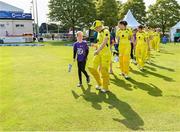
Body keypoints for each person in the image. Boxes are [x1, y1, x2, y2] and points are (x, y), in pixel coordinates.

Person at [88, 20, 111, 93]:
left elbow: (105, 42)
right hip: (99, 53)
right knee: (92, 67)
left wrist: (98, 50)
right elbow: (99, 42)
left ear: (99, 26)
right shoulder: (98, 33)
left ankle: (105, 87)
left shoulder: (106, 31)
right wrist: (95, 45)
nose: (94, 29)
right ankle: (99, 83)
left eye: (95, 28)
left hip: (105, 54)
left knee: (104, 70)